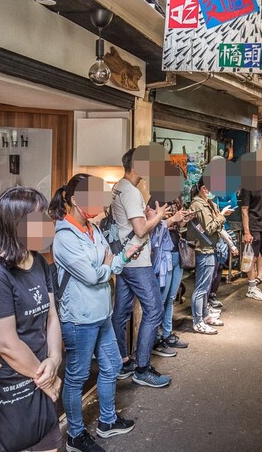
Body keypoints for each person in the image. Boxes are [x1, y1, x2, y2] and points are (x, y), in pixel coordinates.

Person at [0, 186, 62, 452]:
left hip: (38, 376)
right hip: (2, 386)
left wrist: (54, 360)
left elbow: (52, 316)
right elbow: (6, 344)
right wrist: (47, 379)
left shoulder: (39, 262)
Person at [50, 174, 142, 452]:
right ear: (75, 200)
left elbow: (109, 262)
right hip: (79, 318)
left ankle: (107, 420)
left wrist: (119, 259)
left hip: (102, 314)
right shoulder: (64, 237)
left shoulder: (93, 229)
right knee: (77, 377)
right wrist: (110, 264)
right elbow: (92, 275)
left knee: (112, 366)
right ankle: (75, 435)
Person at [111, 148, 173, 388]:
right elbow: (139, 230)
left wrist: (149, 217)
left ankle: (122, 361)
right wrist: (159, 216)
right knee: (154, 309)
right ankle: (142, 368)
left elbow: (130, 224)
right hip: (137, 260)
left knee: (120, 312)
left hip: (124, 259)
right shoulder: (131, 191)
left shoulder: (118, 187)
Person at [148, 197, 191, 357]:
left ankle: (167, 334)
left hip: (176, 251)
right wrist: (173, 219)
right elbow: (150, 228)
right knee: (161, 299)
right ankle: (155, 339)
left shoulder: (176, 200)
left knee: (171, 297)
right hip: (162, 255)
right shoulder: (155, 201)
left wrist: (183, 220)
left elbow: (176, 228)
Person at [187, 178, 228, 334]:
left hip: (209, 249)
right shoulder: (198, 204)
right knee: (201, 287)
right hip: (204, 250)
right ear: (204, 188)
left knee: (205, 286)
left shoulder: (207, 203)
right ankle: (198, 321)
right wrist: (222, 215)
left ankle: (205, 315)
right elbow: (210, 228)